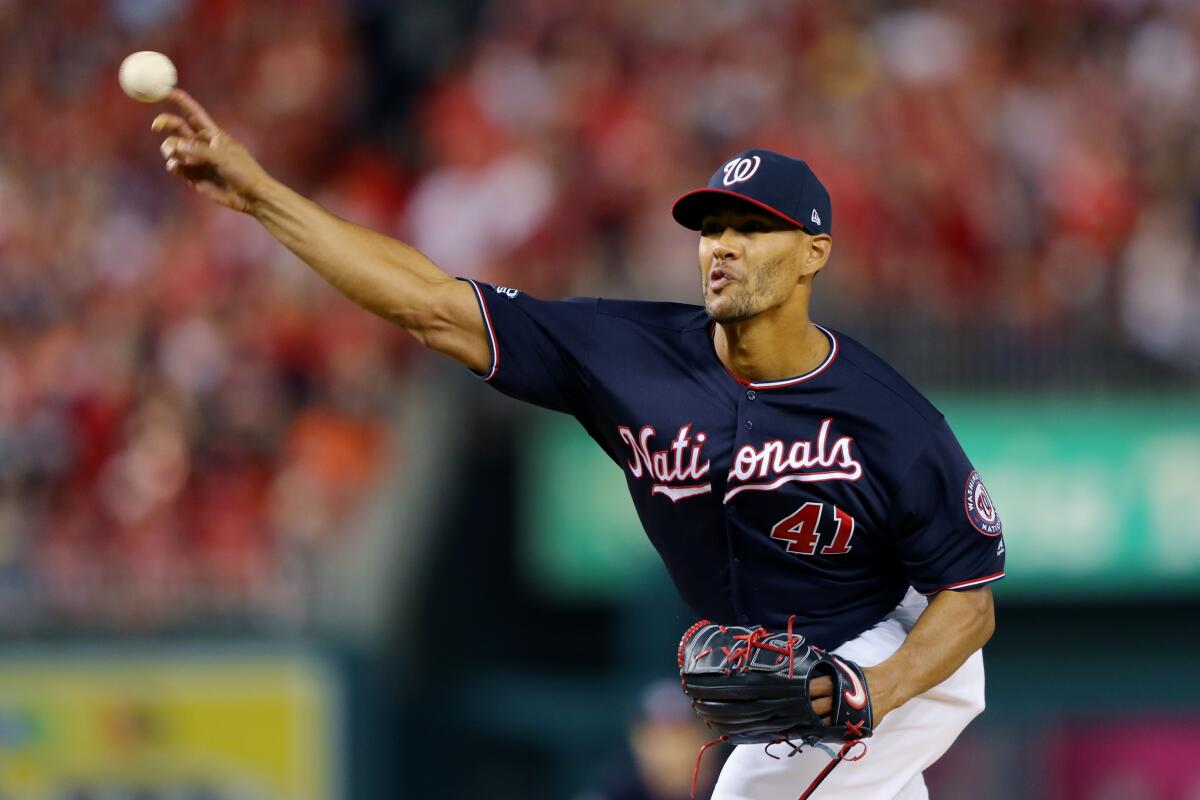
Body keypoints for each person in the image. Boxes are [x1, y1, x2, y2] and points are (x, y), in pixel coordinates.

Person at [152, 89, 1005, 800]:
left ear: (814, 251)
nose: (723, 246)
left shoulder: (888, 415)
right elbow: (429, 303)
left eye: (754, 228)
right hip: (802, 666)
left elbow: (969, 603)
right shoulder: (627, 354)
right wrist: (262, 194)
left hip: (895, 655)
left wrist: (872, 693)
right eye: (713, 227)